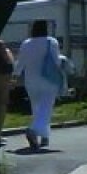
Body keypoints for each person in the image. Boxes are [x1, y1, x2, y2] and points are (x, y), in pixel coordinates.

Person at [12, 20, 62, 150]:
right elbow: (56, 61)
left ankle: (44, 136)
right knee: (46, 108)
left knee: (37, 108)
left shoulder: (26, 43)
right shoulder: (51, 42)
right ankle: (33, 130)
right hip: (48, 80)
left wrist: (15, 75)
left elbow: (20, 62)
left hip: (31, 81)